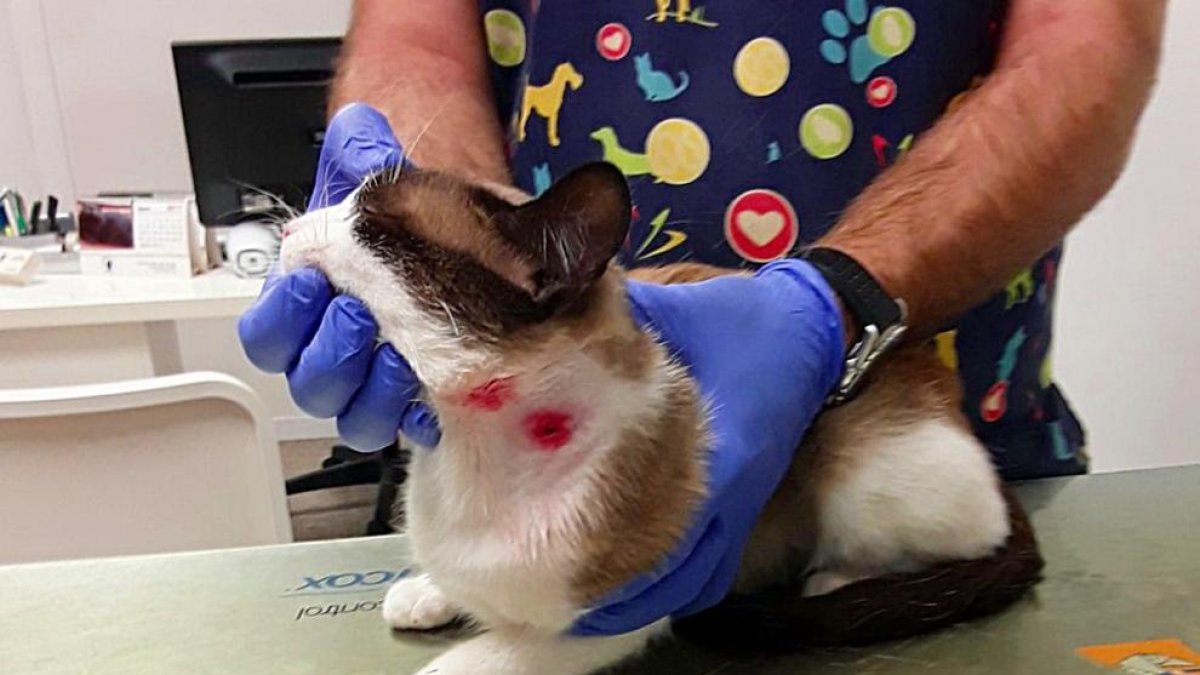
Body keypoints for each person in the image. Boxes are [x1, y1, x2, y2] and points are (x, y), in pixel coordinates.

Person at [239, 0, 1166, 637]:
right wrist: (449, 241)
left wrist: (838, 301)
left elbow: (1082, 50)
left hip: (938, 402)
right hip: (554, 365)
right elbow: (420, 40)